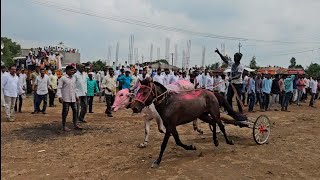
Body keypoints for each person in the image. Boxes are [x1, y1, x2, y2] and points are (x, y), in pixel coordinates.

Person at [215, 48, 245, 115]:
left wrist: (232, 78)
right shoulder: (232, 64)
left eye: (235, 57)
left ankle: (241, 112)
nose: (234, 58)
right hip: (232, 84)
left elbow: (239, 75)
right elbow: (224, 59)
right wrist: (219, 52)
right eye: (234, 57)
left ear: (239, 58)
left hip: (238, 84)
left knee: (238, 99)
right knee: (228, 98)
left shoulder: (241, 66)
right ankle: (230, 111)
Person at [57, 65, 82, 131]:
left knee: (75, 111)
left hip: (73, 98)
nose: (72, 71)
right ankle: (64, 126)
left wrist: (76, 95)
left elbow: (74, 88)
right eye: (71, 70)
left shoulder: (73, 78)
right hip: (66, 98)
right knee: (65, 112)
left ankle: (75, 124)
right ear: (67, 71)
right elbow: (59, 88)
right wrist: (59, 96)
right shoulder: (63, 78)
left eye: (73, 70)